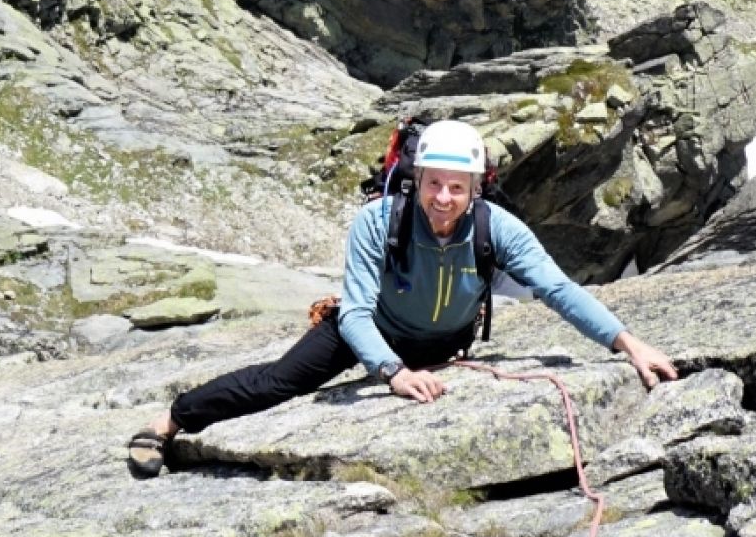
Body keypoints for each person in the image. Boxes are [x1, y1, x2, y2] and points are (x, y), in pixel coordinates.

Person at [126, 120, 677, 475]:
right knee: (279, 382)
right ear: (416, 179)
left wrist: (627, 343)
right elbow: (357, 312)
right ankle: (169, 422)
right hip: (371, 333)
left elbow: (556, 288)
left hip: (442, 344)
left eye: (456, 187)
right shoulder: (378, 222)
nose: (443, 198)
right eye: (434, 183)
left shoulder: (496, 226)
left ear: (474, 188)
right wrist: (392, 371)